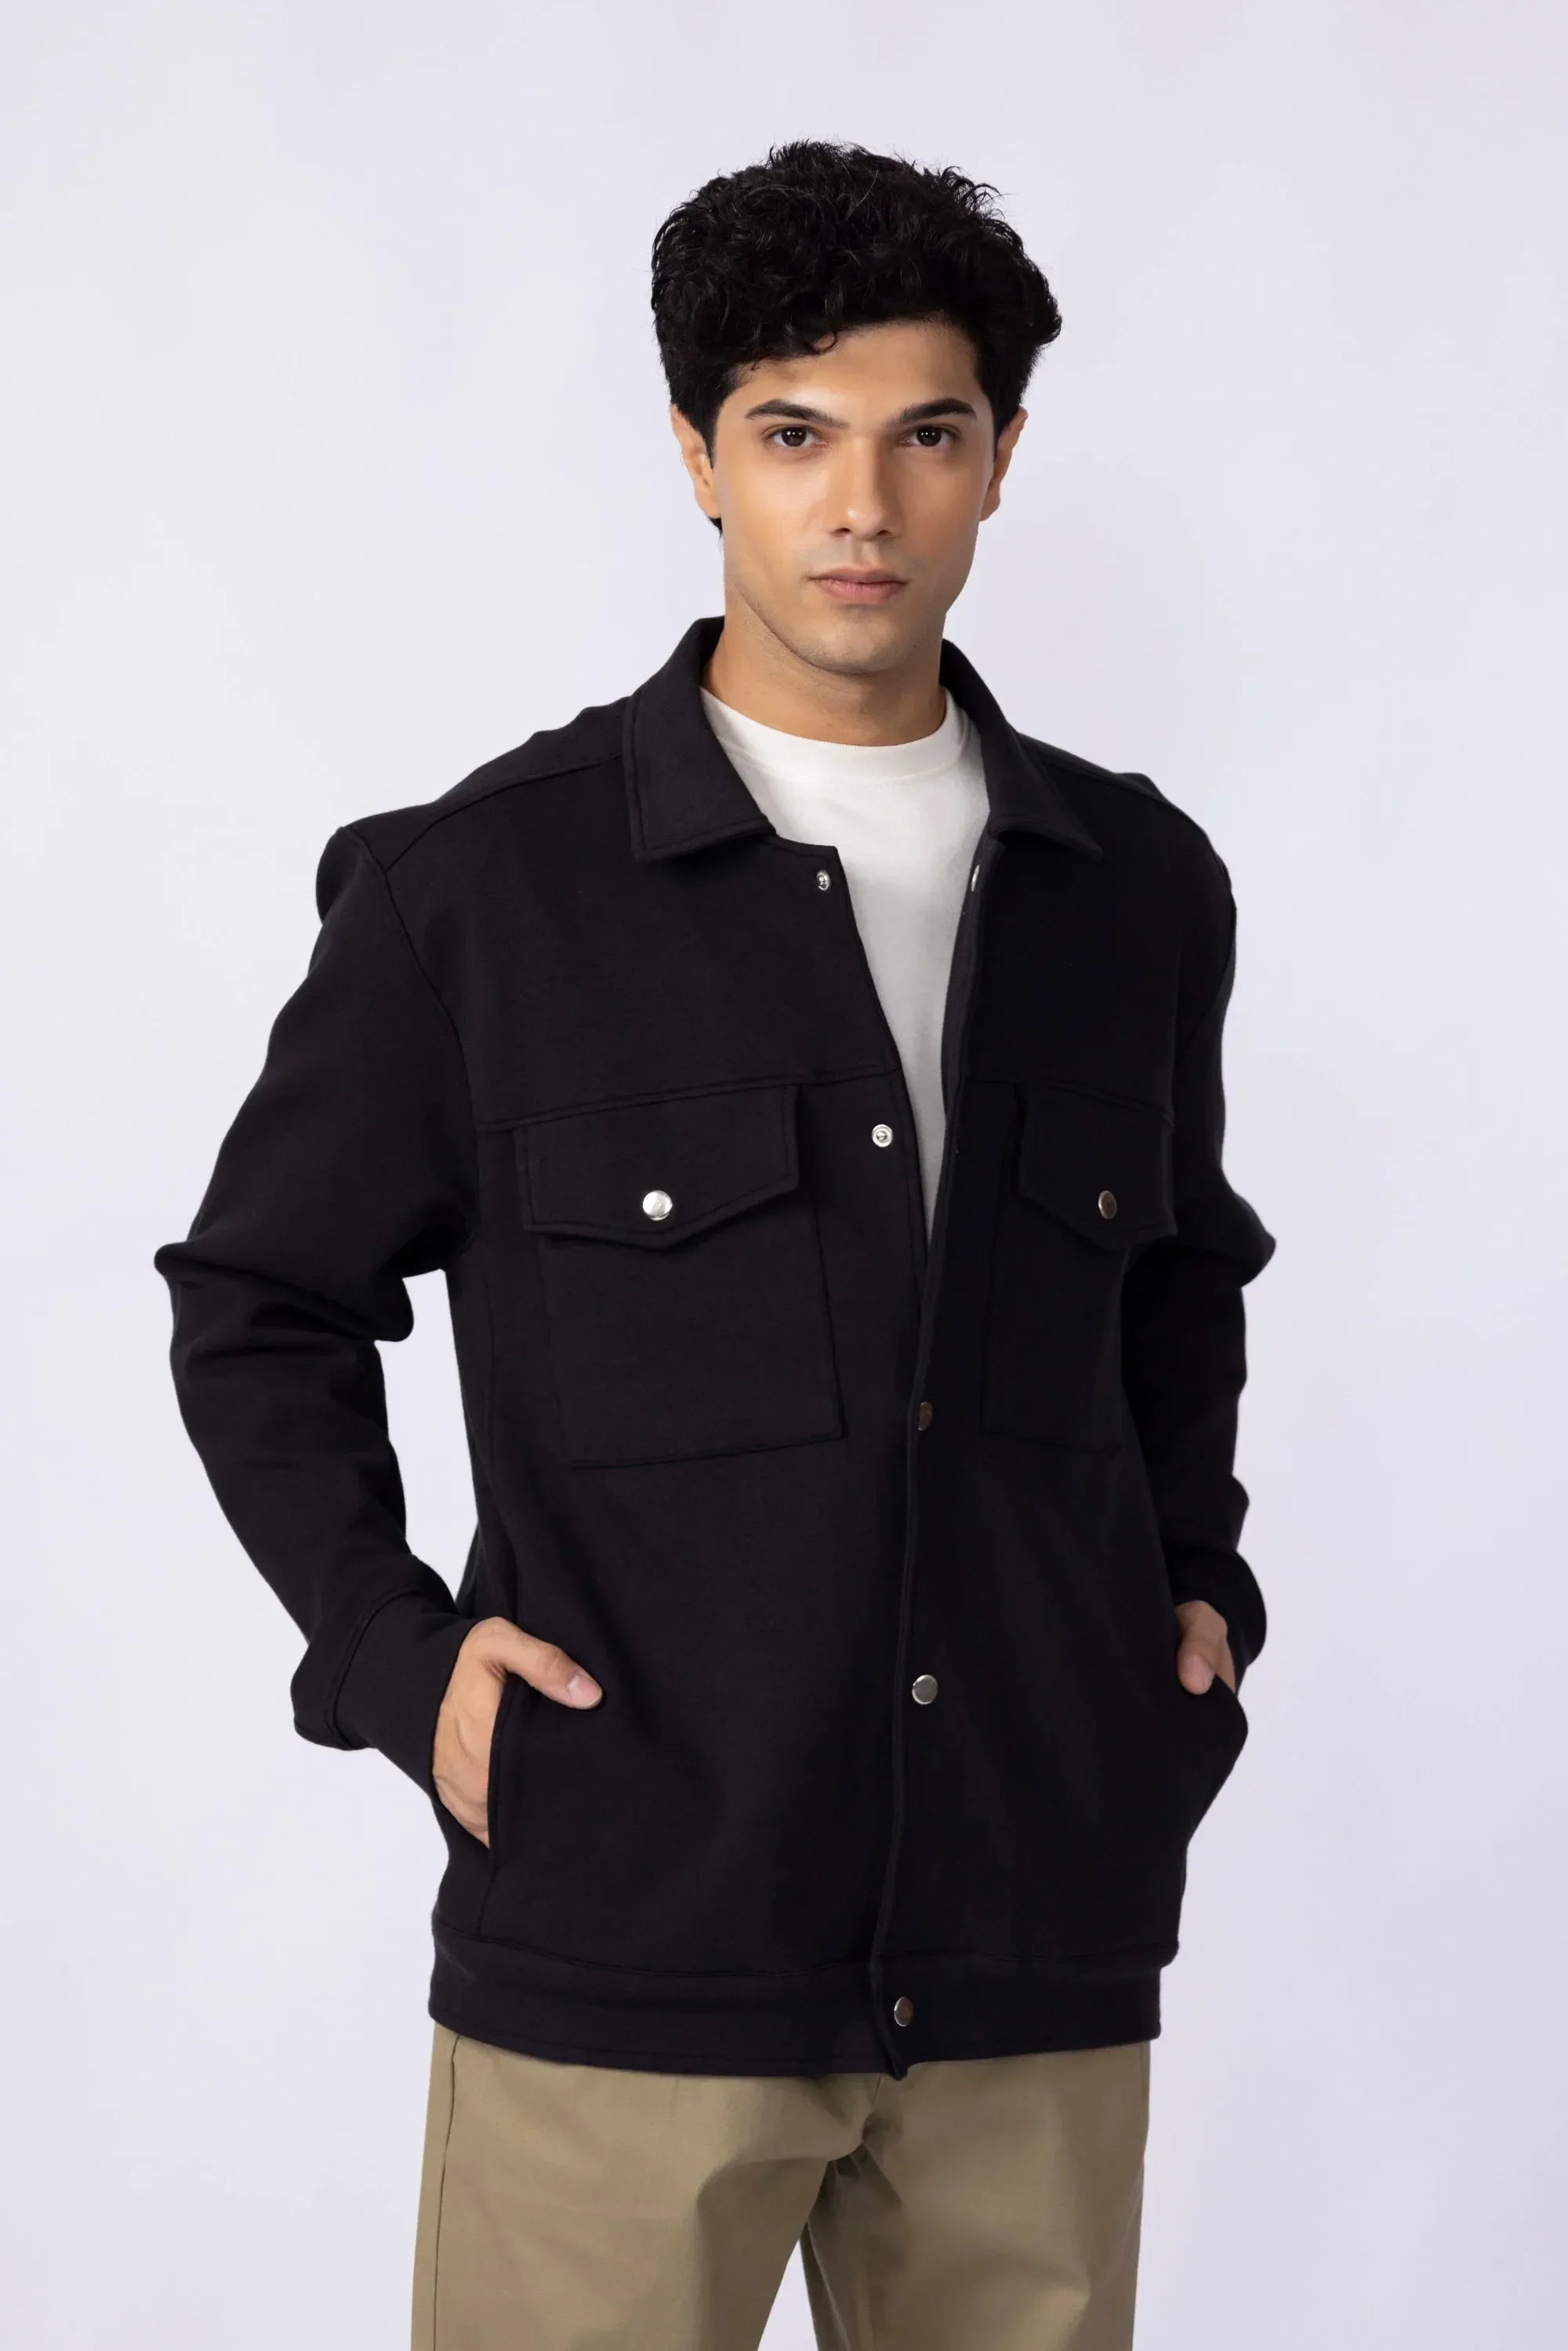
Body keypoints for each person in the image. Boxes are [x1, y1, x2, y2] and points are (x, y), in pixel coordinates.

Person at [153, 138, 1276, 2351]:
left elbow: (1180, 1288)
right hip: (631, 1938)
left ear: (1000, 459)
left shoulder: (1137, 890)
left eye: (924, 435)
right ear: (697, 458)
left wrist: (1198, 1600)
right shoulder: (484, 895)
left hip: (1036, 1934)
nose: (861, 506)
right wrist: (392, 1661)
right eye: (791, 434)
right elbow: (259, 1306)